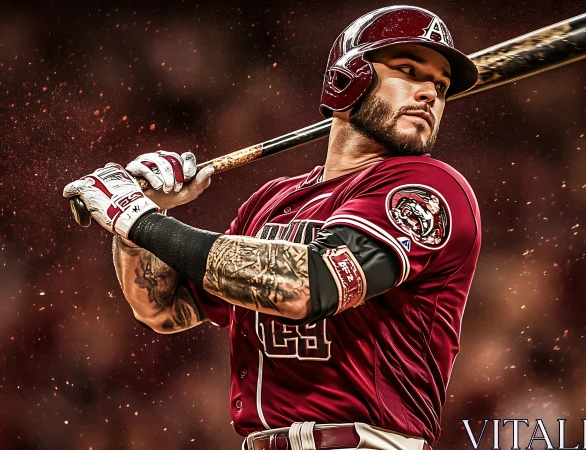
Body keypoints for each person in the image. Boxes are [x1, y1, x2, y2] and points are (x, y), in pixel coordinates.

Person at [64, 6, 481, 450]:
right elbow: (163, 309)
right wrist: (148, 218)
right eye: (408, 70)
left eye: (439, 84)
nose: (429, 95)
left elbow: (310, 283)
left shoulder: (432, 188)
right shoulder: (271, 200)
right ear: (348, 78)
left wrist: (139, 220)